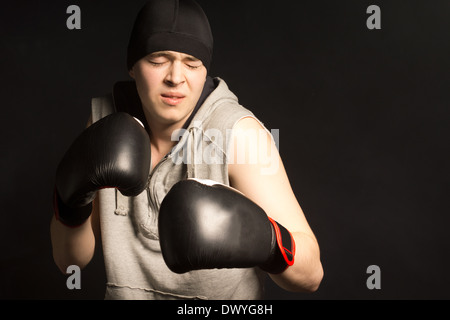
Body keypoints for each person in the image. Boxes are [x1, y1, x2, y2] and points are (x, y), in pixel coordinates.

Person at [50, 0, 323, 299]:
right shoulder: (104, 121)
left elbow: (311, 277)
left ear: (205, 71)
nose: (176, 78)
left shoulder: (238, 135)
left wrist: (268, 241)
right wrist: (71, 201)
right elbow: (71, 262)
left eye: (192, 63)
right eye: (158, 60)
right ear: (133, 65)